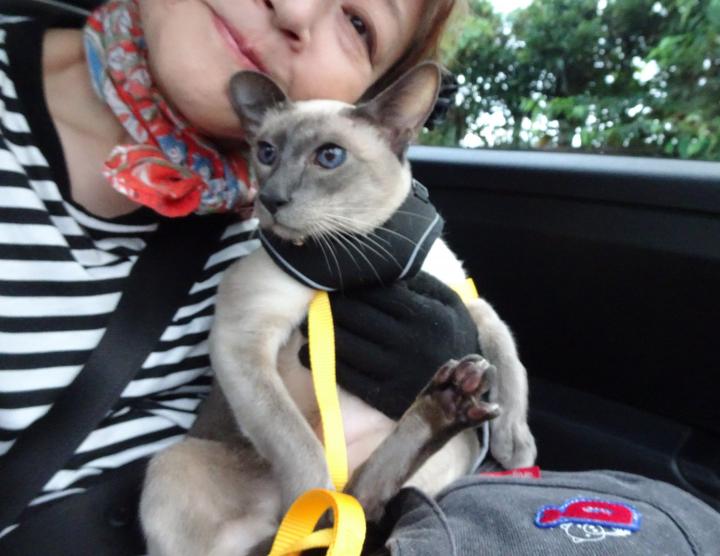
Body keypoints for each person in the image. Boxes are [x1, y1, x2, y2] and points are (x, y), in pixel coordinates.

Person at [0, 0, 480, 553]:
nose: (294, 10)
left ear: (368, 101)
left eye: (356, 24)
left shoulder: (311, 234)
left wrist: (458, 412)